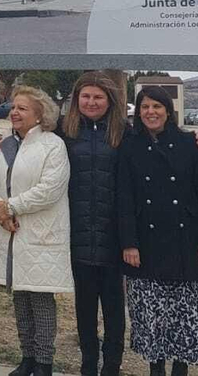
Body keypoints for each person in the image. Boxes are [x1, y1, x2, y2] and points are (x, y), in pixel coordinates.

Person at [119, 87, 198, 375]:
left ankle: (180, 368)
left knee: (185, 315)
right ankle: (156, 369)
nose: (151, 112)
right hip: (146, 241)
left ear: (168, 111)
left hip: (187, 240)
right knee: (153, 315)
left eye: (157, 106)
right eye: (145, 107)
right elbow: (125, 198)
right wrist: (129, 243)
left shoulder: (189, 144)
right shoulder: (128, 145)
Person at [0, 85, 72, 376]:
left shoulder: (52, 145)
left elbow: (50, 189)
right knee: (20, 298)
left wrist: (10, 207)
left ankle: (44, 362)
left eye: (23, 108)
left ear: (40, 115)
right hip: (10, 234)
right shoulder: (4, 145)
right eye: (14, 107)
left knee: (41, 300)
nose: (15, 112)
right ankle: (27, 358)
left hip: (39, 235)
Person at [61, 73, 128, 376]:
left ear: (109, 101)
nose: (91, 102)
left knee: (114, 307)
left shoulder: (126, 133)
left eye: (98, 97)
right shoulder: (64, 132)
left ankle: (112, 364)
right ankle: (88, 361)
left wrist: (190, 138)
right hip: (77, 232)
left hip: (114, 235)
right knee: (84, 306)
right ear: (77, 100)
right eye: (85, 97)